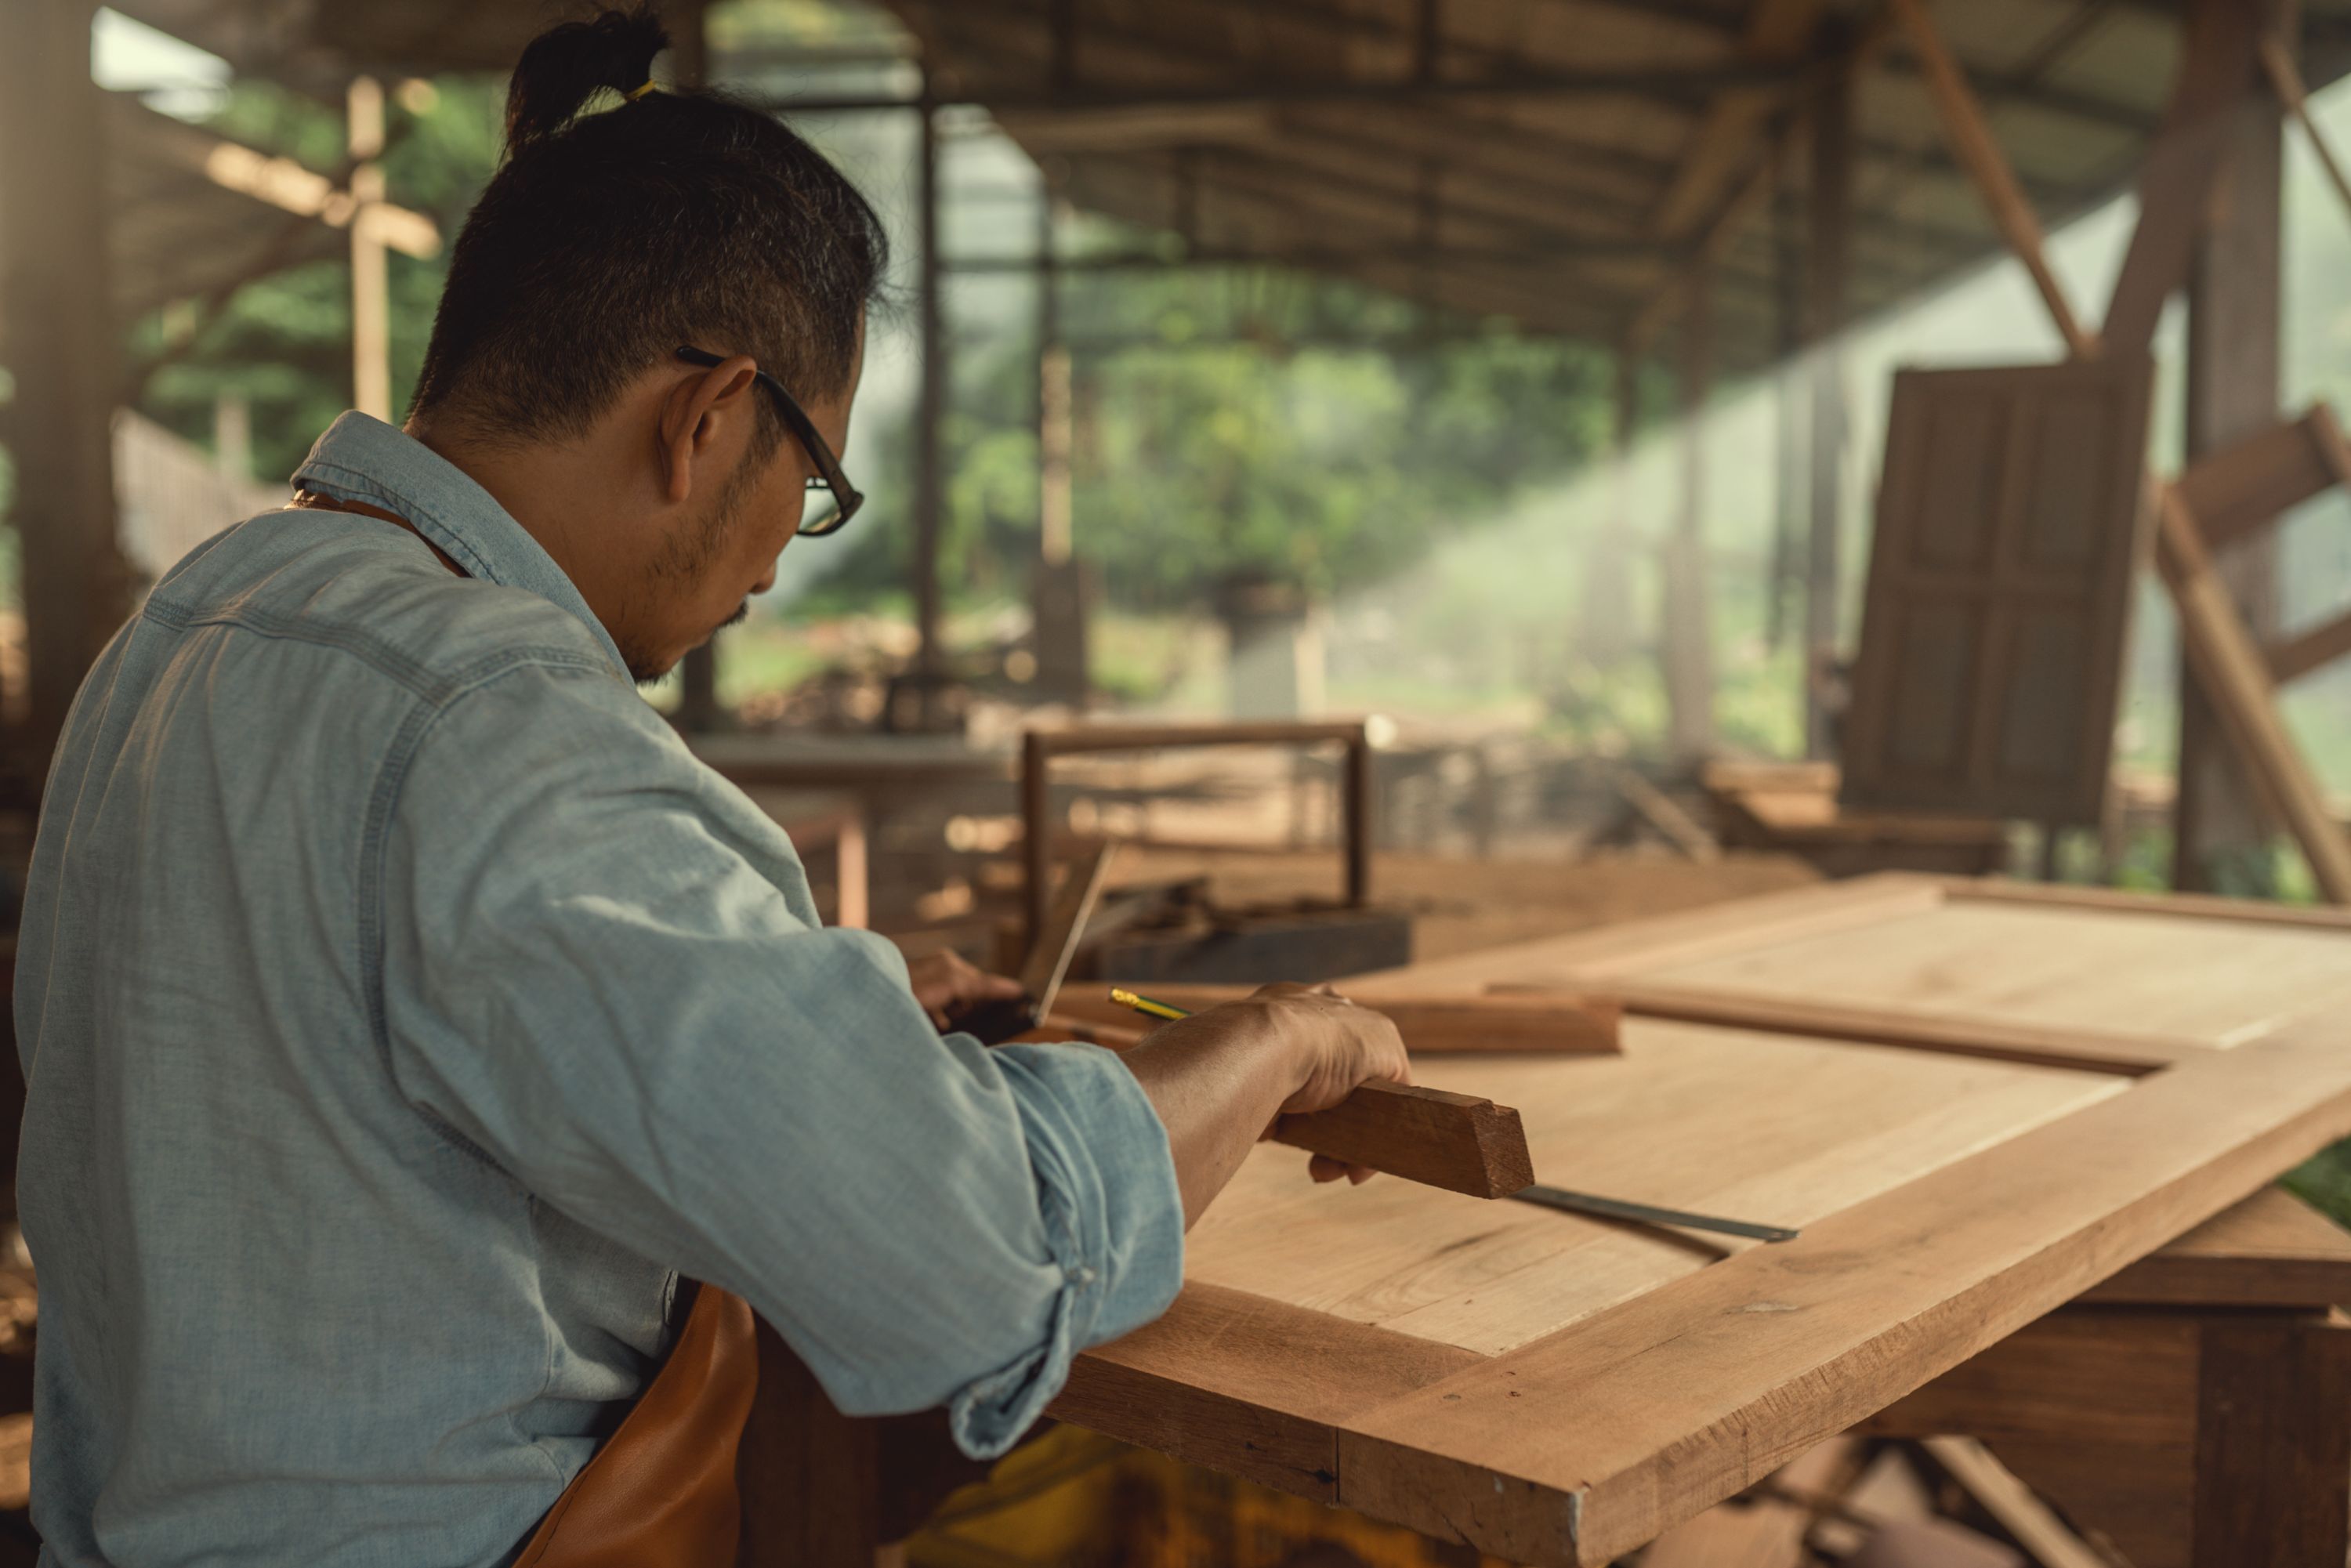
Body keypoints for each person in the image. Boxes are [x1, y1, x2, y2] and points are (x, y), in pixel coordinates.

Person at [12, 11, 1407, 1565]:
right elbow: (977, 1248)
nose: (775, 566)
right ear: (709, 417)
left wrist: (799, 1019)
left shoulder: (202, 619)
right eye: (814, 489)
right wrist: (1278, 1038)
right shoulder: (505, 724)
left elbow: (367, 1059)